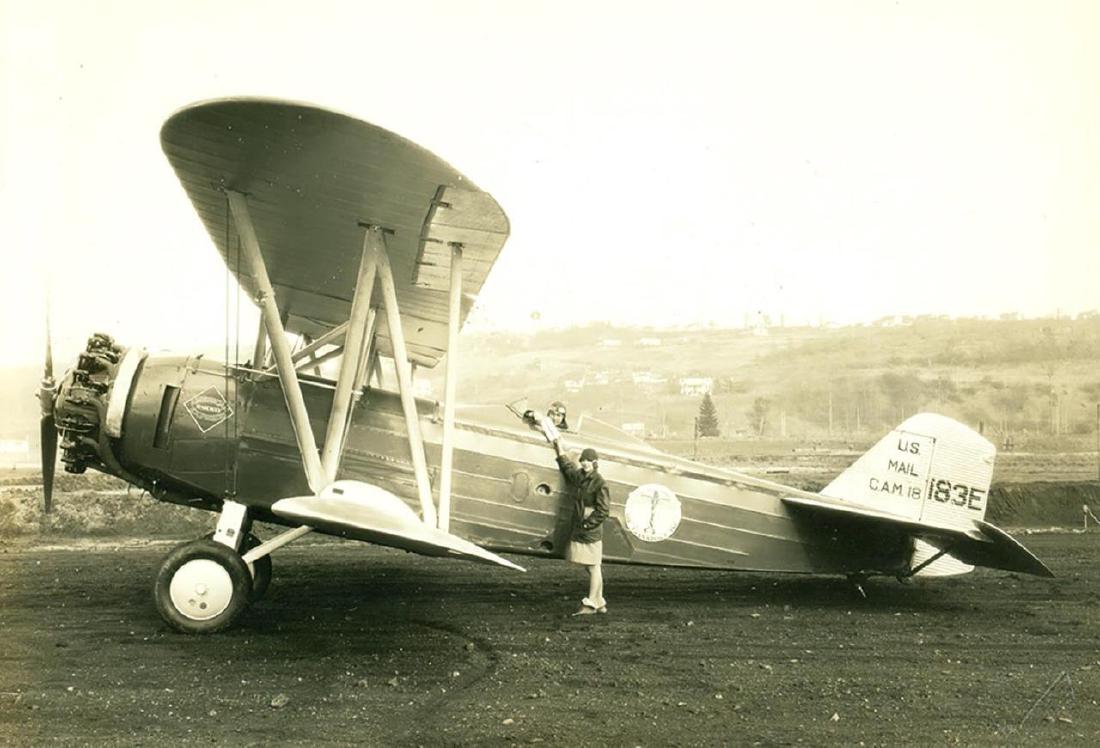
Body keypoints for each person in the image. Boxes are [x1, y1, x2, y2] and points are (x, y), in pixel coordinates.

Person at [548, 436, 609, 616]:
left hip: (590, 530)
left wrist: (587, 524)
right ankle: (599, 602)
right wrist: (559, 449)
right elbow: (567, 468)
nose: (584, 463)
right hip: (582, 527)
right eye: (583, 460)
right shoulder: (580, 477)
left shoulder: (600, 483)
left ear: (595, 463)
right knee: (592, 567)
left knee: (593, 567)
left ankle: (591, 604)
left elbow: (603, 510)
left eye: (588, 461)